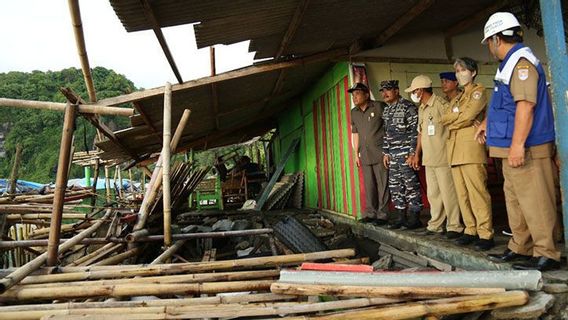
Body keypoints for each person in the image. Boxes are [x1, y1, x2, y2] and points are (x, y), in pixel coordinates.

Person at [476, 12, 560, 270]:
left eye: (489, 41)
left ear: (497, 39)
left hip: (528, 147)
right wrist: (486, 124)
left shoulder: (521, 63)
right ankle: (521, 247)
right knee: (515, 201)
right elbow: (506, 104)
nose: (490, 47)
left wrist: (516, 145)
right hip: (510, 147)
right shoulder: (508, 64)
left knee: (535, 201)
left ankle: (547, 252)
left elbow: (525, 106)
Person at [440, 57, 494, 251]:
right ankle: (470, 229)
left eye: (463, 70)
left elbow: (470, 115)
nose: (459, 74)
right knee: (462, 194)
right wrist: (458, 117)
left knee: (477, 192)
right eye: (457, 71)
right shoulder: (458, 97)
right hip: (454, 150)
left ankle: (485, 233)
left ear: (473, 72)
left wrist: (456, 118)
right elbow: (444, 118)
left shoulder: (478, 91)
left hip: (471, 148)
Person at [405, 75, 463, 238]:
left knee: (448, 193)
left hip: (443, 157)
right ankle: (436, 224)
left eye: (415, 91)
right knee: (433, 194)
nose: (413, 94)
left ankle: (454, 226)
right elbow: (420, 133)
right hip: (429, 158)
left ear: (421, 90)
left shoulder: (441, 105)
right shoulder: (422, 108)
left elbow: (454, 126)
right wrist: (417, 154)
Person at [381, 80, 422, 229]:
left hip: (406, 154)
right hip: (393, 155)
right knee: (395, 186)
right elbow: (386, 134)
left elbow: (415, 131)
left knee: (411, 185)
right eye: (383, 91)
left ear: (396, 91)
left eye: (388, 90)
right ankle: (400, 217)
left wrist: (413, 153)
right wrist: (386, 152)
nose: (384, 93)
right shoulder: (386, 110)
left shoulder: (408, 107)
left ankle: (414, 217)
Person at [349, 82, 389, 225]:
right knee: (369, 185)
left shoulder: (378, 106)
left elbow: (389, 128)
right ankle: (371, 213)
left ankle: (383, 215)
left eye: (357, 94)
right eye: (353, 95)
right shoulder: (354, 112)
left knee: (382, 184)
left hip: (380, 153)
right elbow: (355, 134)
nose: (355, 97)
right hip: (364, 154)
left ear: (366, 94)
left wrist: (387, 151)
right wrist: (356, 154)